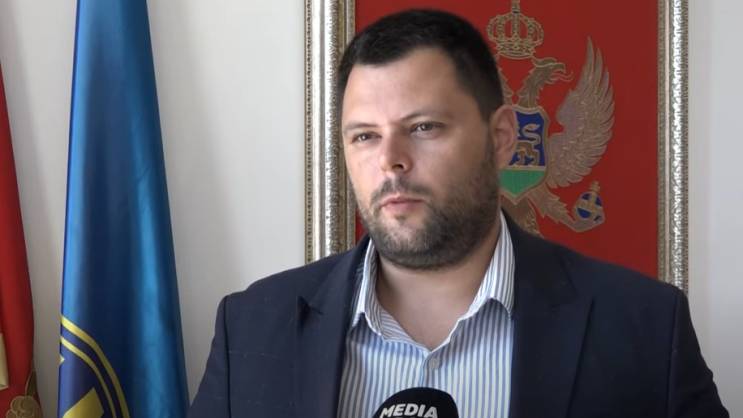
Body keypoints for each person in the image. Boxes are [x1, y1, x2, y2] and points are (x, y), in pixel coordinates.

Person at [189, 9, 728, 418]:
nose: (391, 160)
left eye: (423, 127)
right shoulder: (250, 331)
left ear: (502, 137)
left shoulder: (645, 328)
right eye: (365, 136)